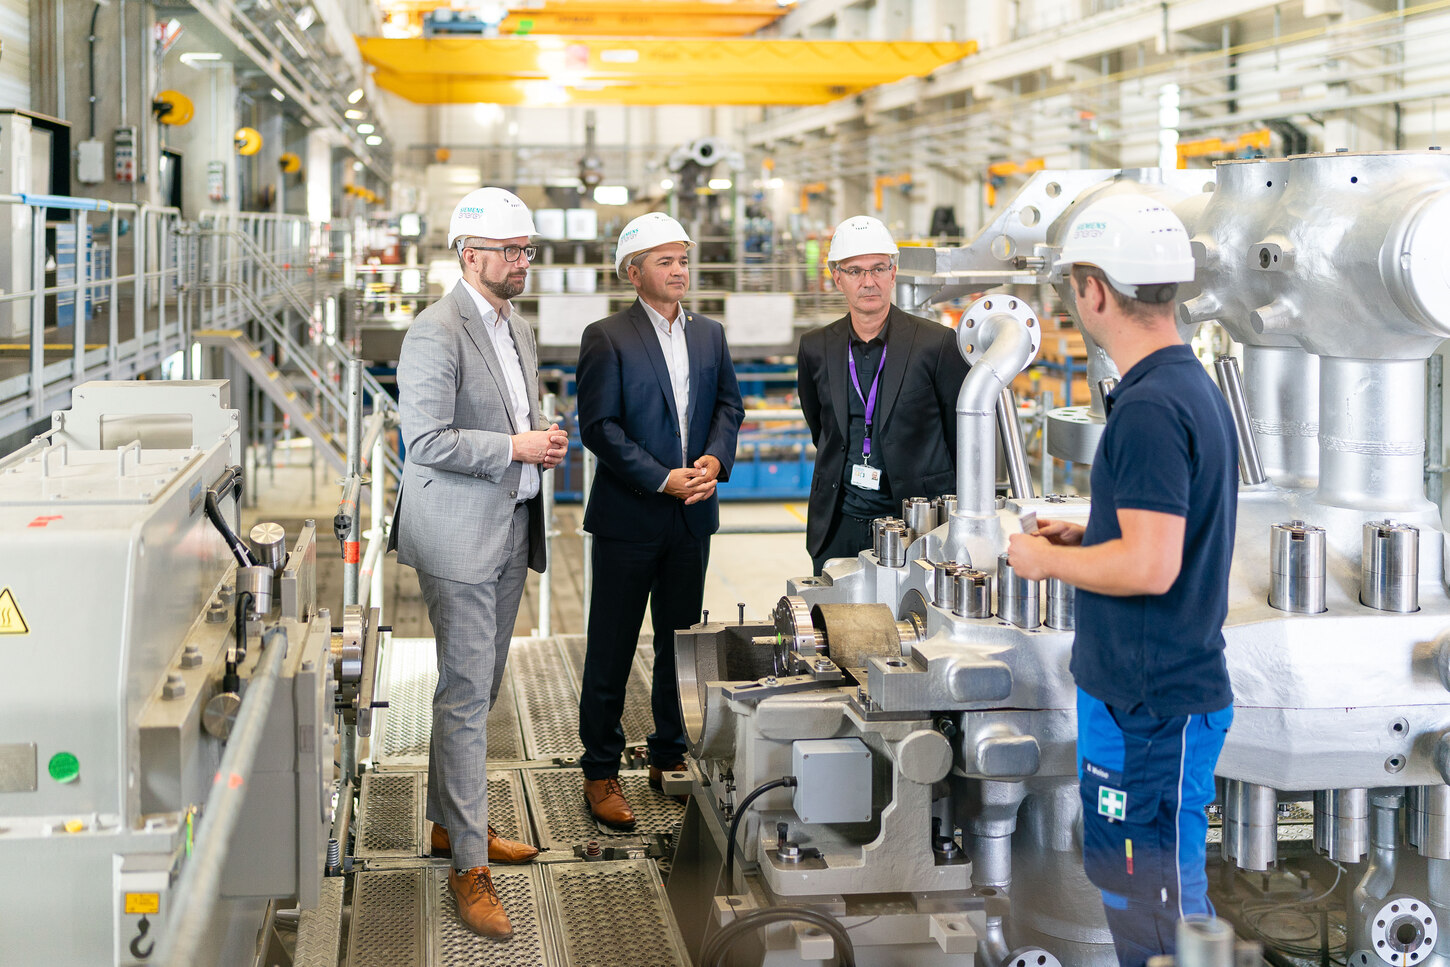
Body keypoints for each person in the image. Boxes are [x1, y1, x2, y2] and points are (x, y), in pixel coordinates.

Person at [1006, 194, 1238, 967]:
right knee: (1129, 885)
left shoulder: (1149, 407)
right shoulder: (1180, 385)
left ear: (1095, 290)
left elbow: (1150, 564)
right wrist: (1091, 533)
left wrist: (1047, 560)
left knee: (1159, 903)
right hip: (1135, 701)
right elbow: (1150, 536)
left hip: (1153, 708)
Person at [389, 187, 568, 940]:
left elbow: (513, 416)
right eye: (510, 251)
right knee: (466, 698)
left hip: (507, 529)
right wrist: (516, 449)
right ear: (470, 254)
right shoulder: (436, 332)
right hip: (460, 540)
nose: (522, 263)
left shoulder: (516, 327)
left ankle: (447, 822)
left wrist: (538, 437)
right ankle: (470, 865)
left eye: (527, 250)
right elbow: (425, 441)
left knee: (478, 688)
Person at [575, 212, 744, 828]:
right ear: (634, 272)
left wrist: (712, 461)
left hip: (692, 515)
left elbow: (730, 404)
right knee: (612, 646)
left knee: (681, 642)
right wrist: (660, 477)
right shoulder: (608, 336)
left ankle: (669, 751)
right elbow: (599, 428)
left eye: (683, 259)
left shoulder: (709, 333)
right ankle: (599, 770)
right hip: (630, 518)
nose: (680, 271)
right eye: (666, 261)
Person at [796, 215, 970, 575]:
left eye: (877, 269)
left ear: (893, 274)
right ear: (837, 278)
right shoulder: (816, 347)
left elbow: (960, 437)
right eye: (855, 271)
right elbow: (822, 429)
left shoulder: (936, 344)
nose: (868, 281)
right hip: (838, 523)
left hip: (915, 525)